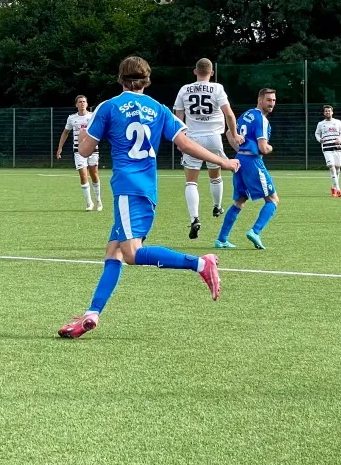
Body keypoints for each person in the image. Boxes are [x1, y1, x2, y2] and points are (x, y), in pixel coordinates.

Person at [58, 56, 240, 339]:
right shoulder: (158, 108)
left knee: (131, 254)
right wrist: (222, 161)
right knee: (114, 252)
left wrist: (85, 130)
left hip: (127, 188)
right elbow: (186, 143)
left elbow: (83, 151)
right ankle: (92, 313)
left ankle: (200, 263)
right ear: (147, 80)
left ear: (120, 78)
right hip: (148, 190)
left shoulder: (108, 107)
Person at [172, 58, 242, 238]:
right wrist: (234, 135)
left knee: (191, 181)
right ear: (211, 73)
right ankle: (217, 207)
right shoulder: (217, 88)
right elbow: (229, 114)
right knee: (215, 176)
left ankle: (194, 218)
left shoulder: (184, 89)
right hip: (213, 139)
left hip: (192, 139)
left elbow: (178, 117)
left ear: (195, 72)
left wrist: (180, 139)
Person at [214, 88, 279, 249]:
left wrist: (241, 151)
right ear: (260, 100)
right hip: (252, 161)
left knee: (240, 201)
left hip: (239, 160)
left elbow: (229, 133)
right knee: (273, 200)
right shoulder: (261, 119)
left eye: (273, 100)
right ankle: (255, 231)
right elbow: (263, 148)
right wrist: (270, 148)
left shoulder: (246, 115)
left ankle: (221, 239)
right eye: (268, 100)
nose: (271, 103)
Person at [57, 95, 102, 211]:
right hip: (78, 150)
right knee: (83, 175)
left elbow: (100, 130)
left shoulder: (92, 116)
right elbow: (65, 132)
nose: (82, 103)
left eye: (84, 101)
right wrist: (60, 148)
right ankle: (89, 203)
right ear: (76, 104)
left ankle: (98, 200)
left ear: (87, 104)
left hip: (92, 148)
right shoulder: (72, 118)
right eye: (80, 102)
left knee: (94, 174)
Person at [314, 105, 341, 196]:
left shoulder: (338, 122)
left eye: (329, 111)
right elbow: (317, 133)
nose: (327, 112)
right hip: (326, 147)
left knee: (338, 167)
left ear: (332, 112)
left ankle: (333, 187)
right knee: (332, 167)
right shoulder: (321, 124)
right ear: (324, 113)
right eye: (326, 111)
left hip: (337, 147)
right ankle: (338, 189)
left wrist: (340, 139)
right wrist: (319, 139)